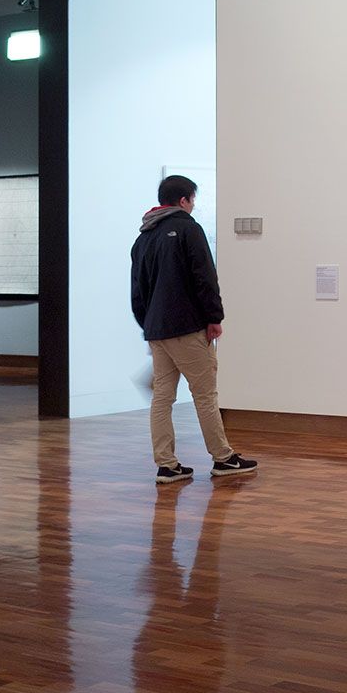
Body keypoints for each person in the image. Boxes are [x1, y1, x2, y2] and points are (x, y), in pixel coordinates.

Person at [131, 175, 258, 483]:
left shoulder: (143, 237)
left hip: (157, 330)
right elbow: (205, 277)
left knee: (162, 397)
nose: (193, 206)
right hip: (187, 327)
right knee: (205, 394)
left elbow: (138, 291)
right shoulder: (189, 229)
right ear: (184, 200)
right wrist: (214, 317)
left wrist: (149, 324)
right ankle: (223, 458)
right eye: (192, 200)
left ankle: (166, 464)